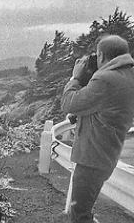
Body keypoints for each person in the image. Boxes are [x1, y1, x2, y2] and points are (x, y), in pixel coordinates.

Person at [61, 35, 134, 223]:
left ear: (101, 55)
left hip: (92, 157)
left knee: (79, 215)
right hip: (106, 153)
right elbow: (105, 109)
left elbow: (69, 103)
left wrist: (76, 77)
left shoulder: (105, 78)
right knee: (83, 210)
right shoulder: (128, 74)